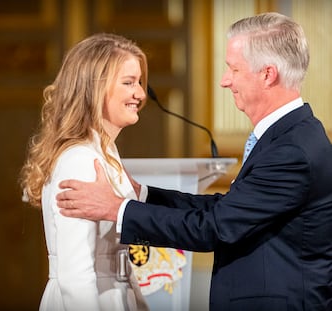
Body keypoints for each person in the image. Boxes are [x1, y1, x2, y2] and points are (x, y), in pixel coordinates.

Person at [56, 12, 332, 310]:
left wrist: (116, 209)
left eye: (234, 69)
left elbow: (216, 227)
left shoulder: (292, 150)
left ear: (267, 74)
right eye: (128, 82)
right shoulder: (292, 137)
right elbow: (225, 210)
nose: (226, 81)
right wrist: (144, 196)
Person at [19, 33, 150, 311]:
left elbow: (121, 261)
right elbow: (74, 275)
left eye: (139, 82)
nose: (140, 93)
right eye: (128, 83)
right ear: (94, 89)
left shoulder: (104, 152)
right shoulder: (79, 159)